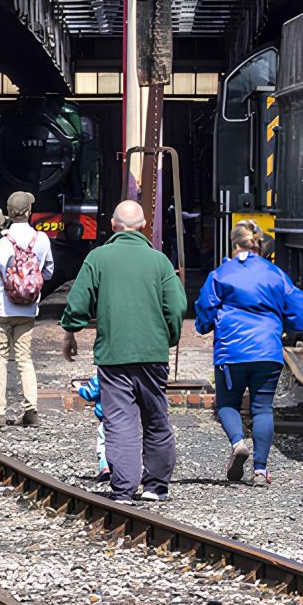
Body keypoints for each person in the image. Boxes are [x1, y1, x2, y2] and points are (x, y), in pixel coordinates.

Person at [60, 199, 185, 503]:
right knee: (156, 418)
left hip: (113, 356)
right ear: (143, 226)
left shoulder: (98, 258)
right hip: (153, 355)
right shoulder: (159, 262)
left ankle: (125, 490)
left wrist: (71, 332)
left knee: (119, 421)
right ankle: (156, 486)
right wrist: (167, 337)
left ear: (113, 225)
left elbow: (77, 304)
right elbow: (178, 306)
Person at [195, 221, 303, 485]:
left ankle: (238, 443)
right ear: (259, 244)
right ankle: (260, 470)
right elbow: (301, 311)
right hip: (267, 351)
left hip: (231, 351)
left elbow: (205, 309)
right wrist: (287, 326)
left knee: (227, 404)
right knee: (262, 409)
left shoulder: (221, 273)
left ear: (234, 244)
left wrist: (205, 325)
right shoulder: (274, 273)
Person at [0, 190, 55, 426]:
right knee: (24, 358)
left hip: (1, 308)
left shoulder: (1, 240)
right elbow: (48, 272)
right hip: (28, 309)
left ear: (8, 213)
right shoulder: (41, 239)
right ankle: (31, 411)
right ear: (29, 211)